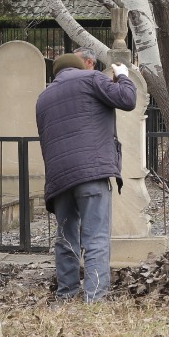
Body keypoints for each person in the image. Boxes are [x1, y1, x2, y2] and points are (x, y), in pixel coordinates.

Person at [35, 48, 137, 302]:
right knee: (96, 237)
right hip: (91, 172)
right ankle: (95, 298)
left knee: (66, 239)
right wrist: (123, 76)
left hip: (59, 179)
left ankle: (66, 295)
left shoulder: (44, 96)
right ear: (82, 66)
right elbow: (127, 99)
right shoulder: (91, 78)